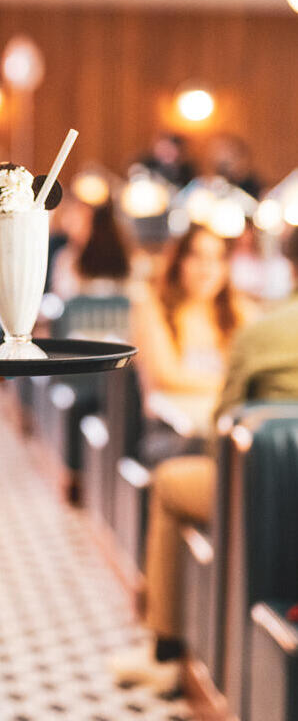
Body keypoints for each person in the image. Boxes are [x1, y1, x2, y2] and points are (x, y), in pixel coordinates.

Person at [112, 226, 298, 694]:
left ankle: (167, 649)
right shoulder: (164, 309)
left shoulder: (263, 329)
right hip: (174, 434)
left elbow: (223, 425)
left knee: (173, 483)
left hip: (264, 489)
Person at [132, 224, 255, 449]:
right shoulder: (153, 308)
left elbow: (251, 370)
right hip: (169, 431)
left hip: (221, 423)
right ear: (179, 262)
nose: (206, 268)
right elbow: (168, 377)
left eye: (216, 258)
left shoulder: (238, 312)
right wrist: (232, 386)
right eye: (197, 257)